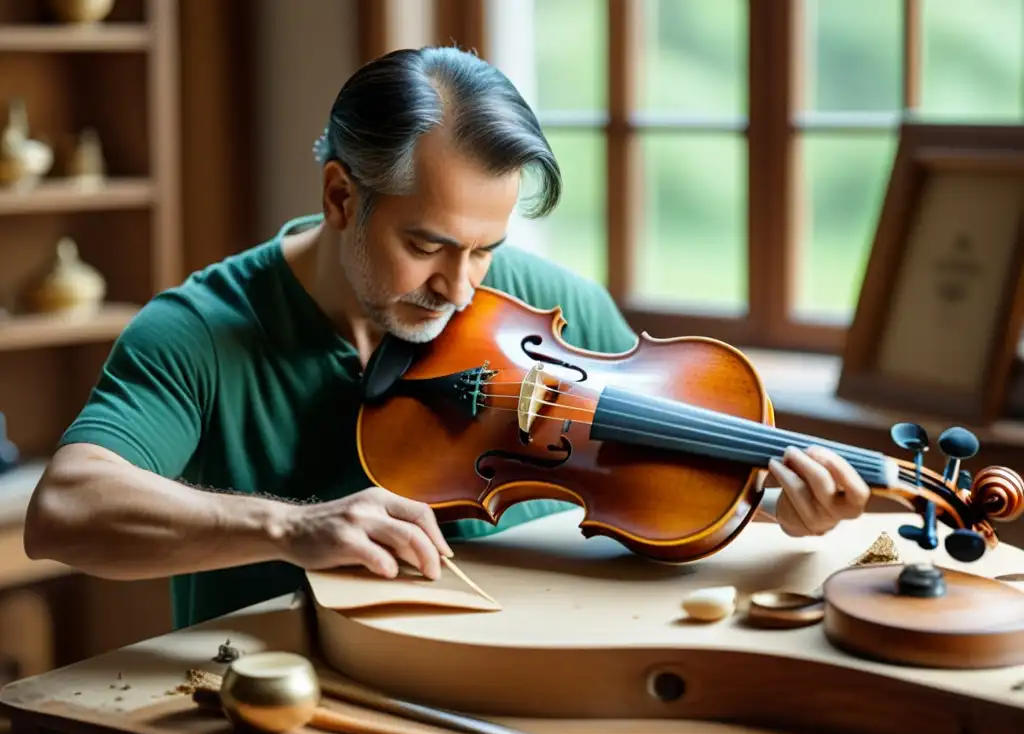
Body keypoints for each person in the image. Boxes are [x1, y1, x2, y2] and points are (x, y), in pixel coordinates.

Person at [23, 47, 871, 630]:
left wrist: (773, 503)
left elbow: (659, 493)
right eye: (426, 245)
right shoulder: (200, 332)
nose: (460, 287)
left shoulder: (545, 310)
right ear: (341, 196)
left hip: (537, 691)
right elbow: (65, 512)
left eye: (484, 249)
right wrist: (292, 529)